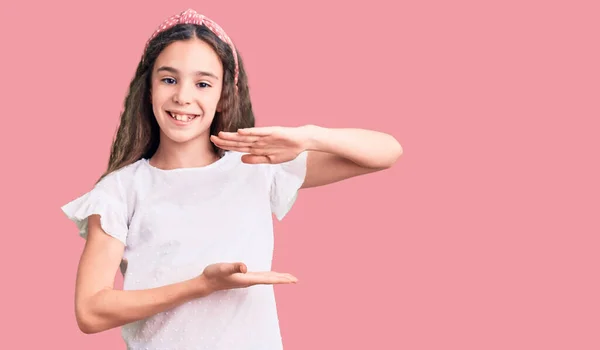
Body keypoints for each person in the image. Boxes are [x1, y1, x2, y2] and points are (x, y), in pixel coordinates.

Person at [61, 8, 403, 350]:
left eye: (203, 83)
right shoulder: (120, 191)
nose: (183, 96)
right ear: (148, 89)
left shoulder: (256, 166)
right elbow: (90, 311)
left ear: (224, 96)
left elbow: (387, 152)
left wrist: (309, 136)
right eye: (168, 79)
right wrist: (201, 285)